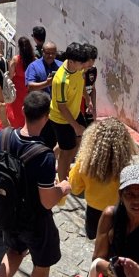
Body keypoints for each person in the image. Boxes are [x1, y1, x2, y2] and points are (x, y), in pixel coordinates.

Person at [0, 90, 71, 277]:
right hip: (35, 220)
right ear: (47, 117)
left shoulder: (2, 137)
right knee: (42, 264)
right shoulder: (43, 156)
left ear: (23, 111)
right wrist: (63, 188)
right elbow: (46, 201)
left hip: (8, 213)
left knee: (13, 250)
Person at [68, 119, 139, 239]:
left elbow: (74, 188)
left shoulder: (84, 163)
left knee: (97, 241)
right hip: (119, 210)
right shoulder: (126, 165)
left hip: (94, 211)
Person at [45, 42, 98, 181]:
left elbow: (81, 84)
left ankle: (60, 157)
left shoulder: (79, 69)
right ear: (72, 61)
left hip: (74, 113)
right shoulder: (61, 80)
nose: (85, 66)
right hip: (61, 119)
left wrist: (88, 100)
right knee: (67, 153)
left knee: (78, 141)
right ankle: (63, 182)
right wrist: (75, 126)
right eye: (82, 64)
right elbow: (62, 108)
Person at [5, 35, 35, 129]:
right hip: (27, 86)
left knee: (15, 108)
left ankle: (15, 125)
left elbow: (10, 75)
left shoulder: (15, 59)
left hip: (17, 86)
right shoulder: (33, 59)